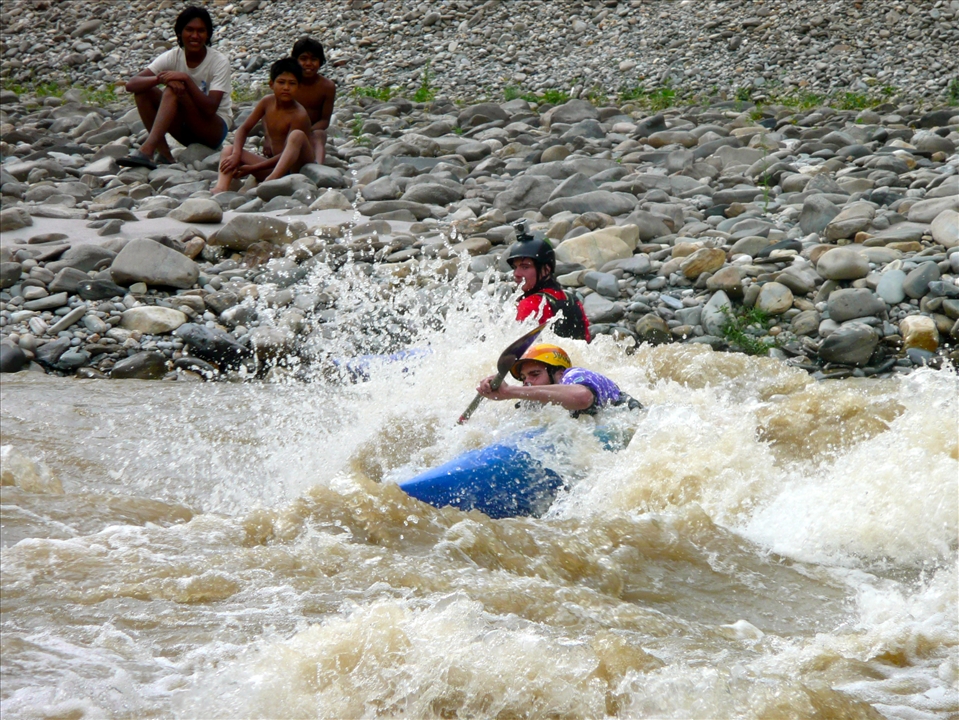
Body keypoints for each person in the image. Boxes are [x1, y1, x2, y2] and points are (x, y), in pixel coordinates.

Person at [119, 6, 232, 170]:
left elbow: (210, 108)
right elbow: (132, 84)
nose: (195, 36)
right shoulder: (173, 56)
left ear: (208, 34)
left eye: (201, 31)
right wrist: (161, 78)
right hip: (185, 128)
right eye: (189, 30)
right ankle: (165, 155)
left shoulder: (219, 62)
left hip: (213, 130)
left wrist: (185, 79)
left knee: (175, 90)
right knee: (145, 91)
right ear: (180, 33)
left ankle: (146, 150)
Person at [211, 58, 314, 194]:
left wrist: (254, 168)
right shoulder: (267, 102)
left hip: (298, 168)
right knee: (229, 150)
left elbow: (288, 153)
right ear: (271, 84)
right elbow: (243, 129)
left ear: (299, 87)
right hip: (275, 166)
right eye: (281, 82)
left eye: (292, 84)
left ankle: (269, 182)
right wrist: (236, 154)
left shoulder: (298, 114)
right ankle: (220, 189)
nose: (286, 88)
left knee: (296, 135)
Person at [476, 344, 641, 417]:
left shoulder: (573, 375)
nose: (528, 383)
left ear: (558, 373)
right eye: (524, 378)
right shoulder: (535, 401)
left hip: (634, 422)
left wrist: (510, 391)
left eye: (535, 374)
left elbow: (583, 398)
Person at [507, 223, 591, 343]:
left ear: (546, 269)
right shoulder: (573, 300)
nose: (517, 273)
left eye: (525, 267)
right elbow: (586, 340)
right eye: (515, 267)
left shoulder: (528, 305)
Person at [283, 36, 336, 166]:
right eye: (303, 59)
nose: (308, 63)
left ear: (321, 62)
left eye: (314, 59)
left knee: (320, 135)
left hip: (312, 131)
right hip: (287, 131)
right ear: (295, 61)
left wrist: (308, 131)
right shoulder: (288, 84)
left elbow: (324, 121)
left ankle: (318, 167)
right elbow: (273, 113)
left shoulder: (327, 87)